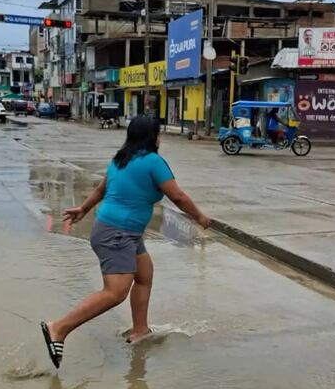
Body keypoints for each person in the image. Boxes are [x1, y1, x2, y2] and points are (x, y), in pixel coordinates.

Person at [41, 116, 211, 370]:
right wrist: (200, 217)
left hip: (121, 231)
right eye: (158, 134)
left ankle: (140, 330)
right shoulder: (153, 161)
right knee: (115, 292)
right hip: (117, 233)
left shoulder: (121, 159)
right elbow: (177, 196)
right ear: (152, 137)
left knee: (144, 275)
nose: (160, 138)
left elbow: (101, 190)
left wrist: (83, 209)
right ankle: (59, 328)